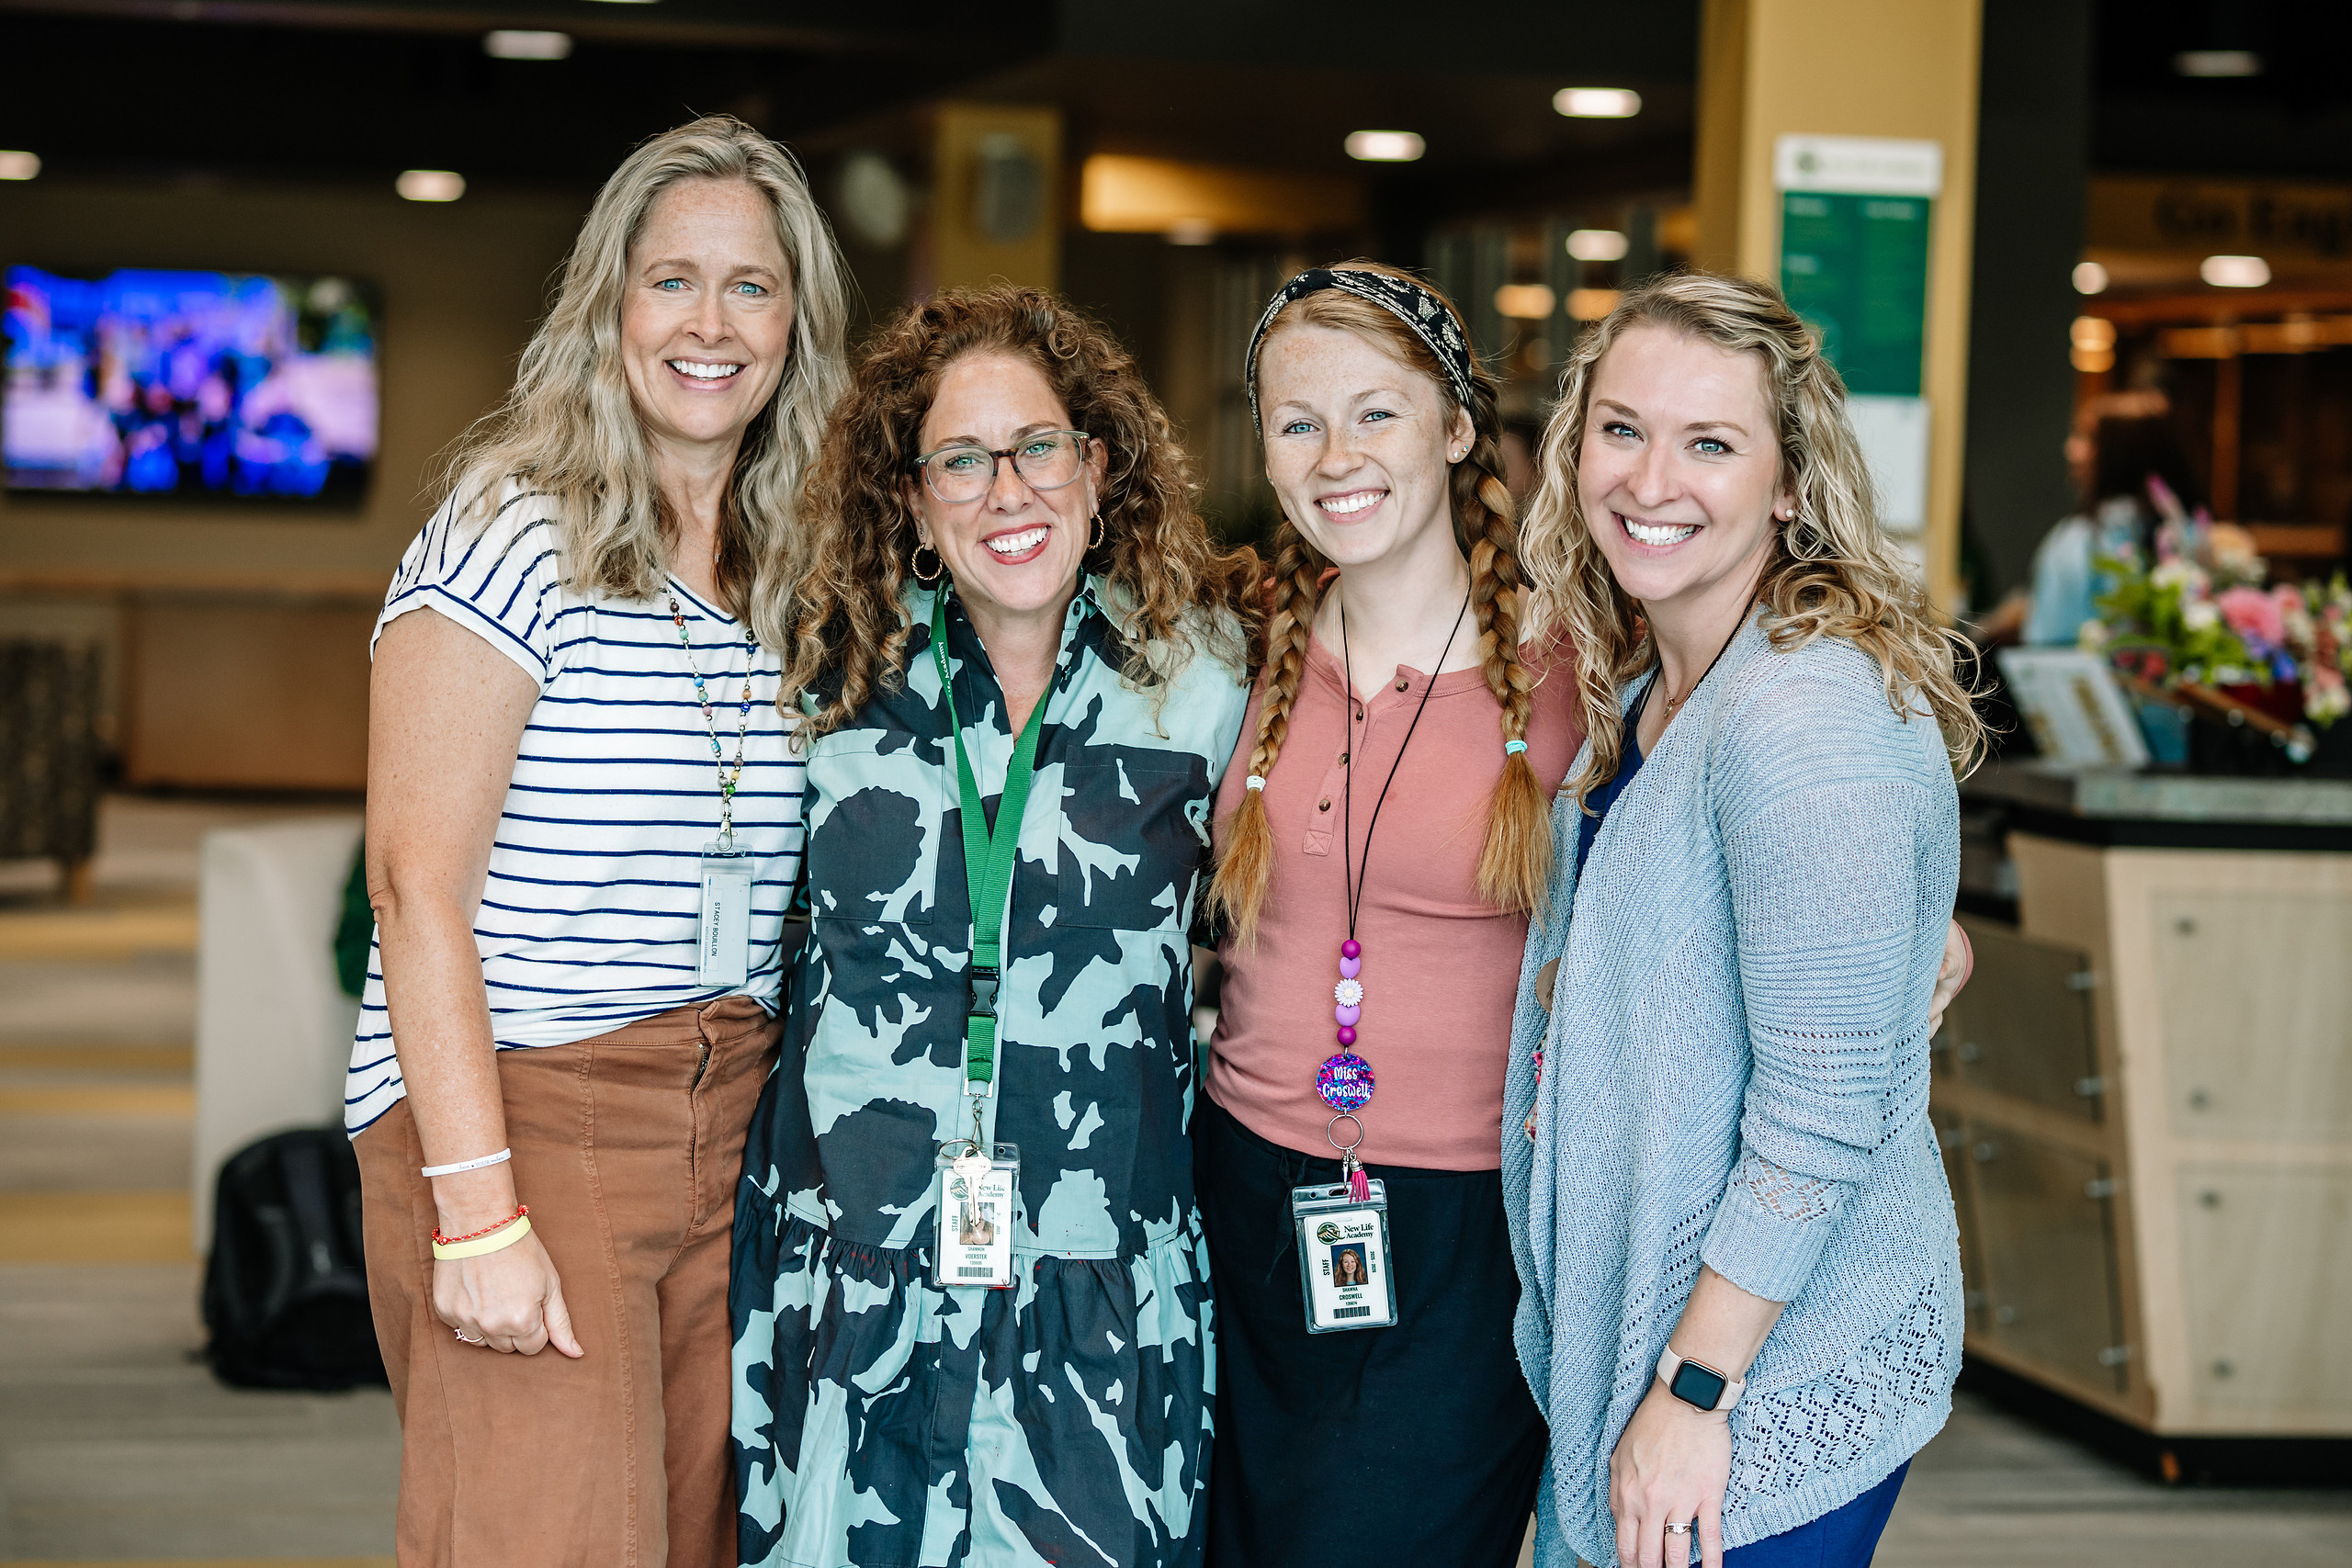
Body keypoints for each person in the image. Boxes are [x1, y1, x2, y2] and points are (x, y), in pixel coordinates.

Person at [351, 116, 847, 1568]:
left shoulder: (793, 563)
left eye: (752, 286)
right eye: (671, 281)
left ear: (796, 321)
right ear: (608, 306)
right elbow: (413, 887)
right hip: (530, 1101)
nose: (711, 324)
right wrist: (477, 1212)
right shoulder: (513, 527)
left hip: (734, 1118)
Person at [730, 286, 1261, 1568]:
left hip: (1096, 1280)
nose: (1006, 489)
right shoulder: (824, 679)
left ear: (1096, 464)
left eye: (1037, 446)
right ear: (910, 501)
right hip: (857, 1274)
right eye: (960, 459)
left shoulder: (1204, 684)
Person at [1507, 271, 1986, 1568]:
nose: (1651, 477)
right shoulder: (1650, 681)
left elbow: (1821, 1111)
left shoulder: (1805, 709)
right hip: (1658, 1356)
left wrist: (1697, 1389)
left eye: (1709, 442)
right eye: (1622, 428)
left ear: (1788, 481)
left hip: (1754, 1377)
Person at [1193, 262, 1580, 1568]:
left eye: (1377, 413)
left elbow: (1743, 823)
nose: (1335, 456)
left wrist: (1932, 923)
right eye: (1298, 422)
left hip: (1463, 1229)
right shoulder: (1235, 647)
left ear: (1457, 425)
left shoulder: (1576, 674)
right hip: (1240, 1190)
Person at [2019, 392, 2197, 646]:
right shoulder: (2189, 535)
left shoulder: (2079, 539)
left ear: (2120, 453)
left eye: (2085, 437)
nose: (2070, 449)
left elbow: (2048, 639)